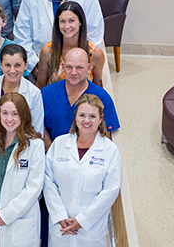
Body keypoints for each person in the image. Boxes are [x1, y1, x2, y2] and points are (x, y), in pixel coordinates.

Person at [44, 94, 121, 246]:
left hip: (91, 229)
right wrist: (59, 215)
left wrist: (83, 220)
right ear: (76, 118)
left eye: (92, 116)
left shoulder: (109, 150)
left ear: (100, 119)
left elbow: (111, 190)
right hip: (61, 226)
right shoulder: (59, 144)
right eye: (82, 115)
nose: (87, 120)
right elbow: (48, 181)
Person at [0, 93, 45, 247]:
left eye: (15, 114)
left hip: (20, 221)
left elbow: (34, 187)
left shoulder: (35, 144)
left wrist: (8, 214)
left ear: (24, 115)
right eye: (4, 113)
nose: (9, 119)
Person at [41, 48, 120, 150]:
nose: (73, 72)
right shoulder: (47, 93)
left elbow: (107, 136)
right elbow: (38, 126)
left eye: (79, 67)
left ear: (88, 68)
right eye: (69, 67)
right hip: (53, 154)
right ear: (62, 67)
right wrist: (52, 151)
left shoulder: (102, 97)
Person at [0, 44, 43, 135]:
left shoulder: (34, 93)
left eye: (17, 65)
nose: (12, 70)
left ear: (26, 65)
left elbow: (37, 130)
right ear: (0, 65)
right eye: (8, 65)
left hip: (22, 146)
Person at [36, 1, 104, 89]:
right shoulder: (48, 51)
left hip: (83, 101)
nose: (67, 26)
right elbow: (41, 85)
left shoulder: (95, 53)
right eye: (62, 21)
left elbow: (98, 88)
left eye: (71, 21)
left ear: (80, 22)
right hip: (55, 101)